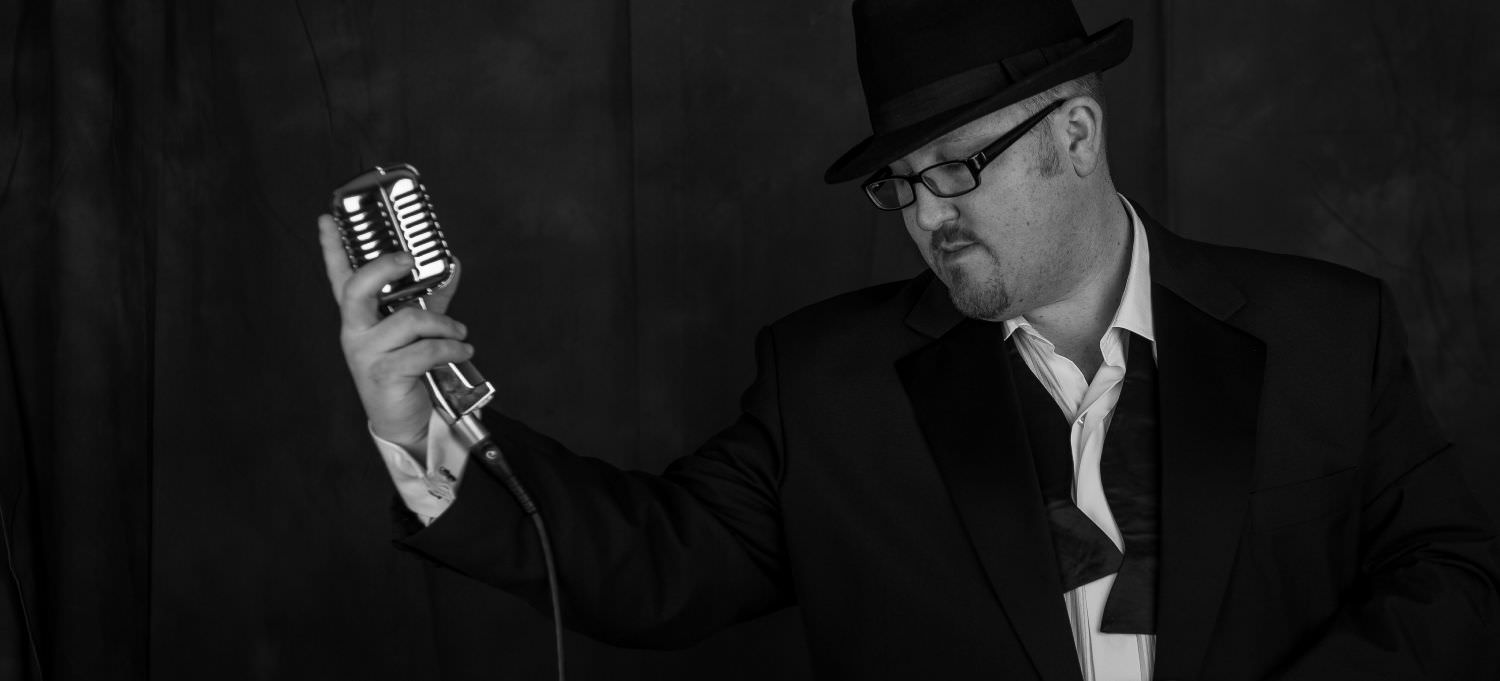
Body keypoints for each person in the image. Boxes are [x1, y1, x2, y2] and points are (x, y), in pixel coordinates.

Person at [316, 0, 1500, 678]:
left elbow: (1455, 579)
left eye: (958, 170)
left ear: (1077, 138)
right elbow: (657, 566)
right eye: (901, 184)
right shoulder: (828, 383)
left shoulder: (1327, 333)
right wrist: (425, 428)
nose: (927, 215)